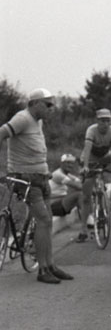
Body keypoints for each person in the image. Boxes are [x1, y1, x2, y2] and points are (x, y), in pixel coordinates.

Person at [0, 88, 74, 283]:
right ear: (34, 103)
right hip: (26, 179)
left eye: (52, 105)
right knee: (43, 220)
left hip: (41, 178)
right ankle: (42, 270)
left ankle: (50, 265)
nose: (51, 108)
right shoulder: (22, 118)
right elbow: (2, 133)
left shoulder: (37, 121)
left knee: (47, 221)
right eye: (47, 104)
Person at [78, 108, 111, 242]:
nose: (105, 124)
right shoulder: (91, 130)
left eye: (108, 121)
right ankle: (83, 230)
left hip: (105, 158)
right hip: (90, 159)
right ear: (97, 121)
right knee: (86, 197)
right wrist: (85, 166)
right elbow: (87, 149)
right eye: (102, 121)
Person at [50, 153, 87, 239]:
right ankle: (86, 221)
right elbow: (78, 186)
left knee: (81, 193)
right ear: (62, 163)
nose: (70, 165)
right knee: (79, 194)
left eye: (72, 163)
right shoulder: (58, 174)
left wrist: (83, 175)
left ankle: (87, 218)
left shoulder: (67, 174)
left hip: (60, 203)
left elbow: (79, 181)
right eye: (67, 163)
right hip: (53, 205)